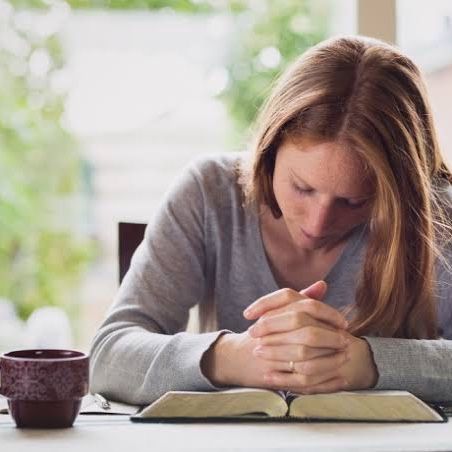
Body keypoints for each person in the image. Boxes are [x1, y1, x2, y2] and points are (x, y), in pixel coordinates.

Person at [89, 35, 452, 405]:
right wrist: (237, 358)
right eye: (302, 188)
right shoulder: (209, 193)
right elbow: (107, 356)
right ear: (270, 149)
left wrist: (367, 363)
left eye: (354, 201)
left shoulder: (438, 219)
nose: (318, 222)